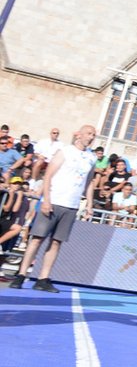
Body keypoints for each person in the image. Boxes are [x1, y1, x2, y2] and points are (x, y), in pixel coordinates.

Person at [10, 125, 99, 292]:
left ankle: (43, 278)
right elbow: (49, 174)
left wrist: (89, 204)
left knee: (57, 242)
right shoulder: (65, 151)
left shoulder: (91, 158)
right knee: (37, 239)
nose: (91, 137)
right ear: (78, 135)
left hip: (71, 205)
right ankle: (21, 274)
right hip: (54, 200)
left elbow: (89, 182)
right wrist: (46, 200)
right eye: (88, 133)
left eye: (93, 135)